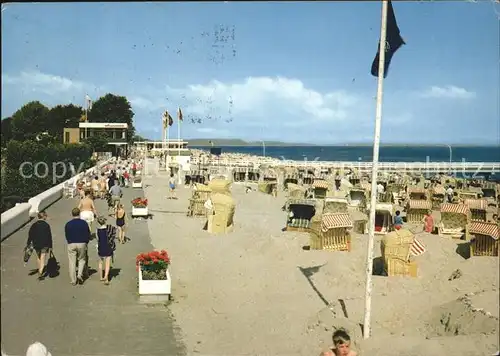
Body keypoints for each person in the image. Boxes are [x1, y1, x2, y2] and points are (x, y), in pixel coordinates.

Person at [65, 208, 91, 286]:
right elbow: (88, 233)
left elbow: (67, 234)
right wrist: (86, 242)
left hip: (71, 243)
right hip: (82, 243)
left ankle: (73, 280)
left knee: (72, 262)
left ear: (72, 214)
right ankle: (79, 274)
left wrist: (69, 241)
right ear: (79, 213)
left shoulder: (68, 224)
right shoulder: (84, 223)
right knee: (82, 259)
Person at [26, 211, 53, 281]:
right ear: (44, 217)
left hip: (36, 244)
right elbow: (49, 236)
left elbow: (30, 235)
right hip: (45, 244)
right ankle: (40, 272)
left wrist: (28, 243)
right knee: (43, 257)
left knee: (38, 257)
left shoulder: (34, 225)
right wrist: (50, 245)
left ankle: (39, 268)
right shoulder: (46, 225)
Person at [96, 216, 115, 285]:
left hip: (101, 247)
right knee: (107, 263)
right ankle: (106, 278)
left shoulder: (97, 230)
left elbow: (98, 239)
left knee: (100, 262)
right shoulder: (109, 229)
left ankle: (101, 277)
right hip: (108, 247)